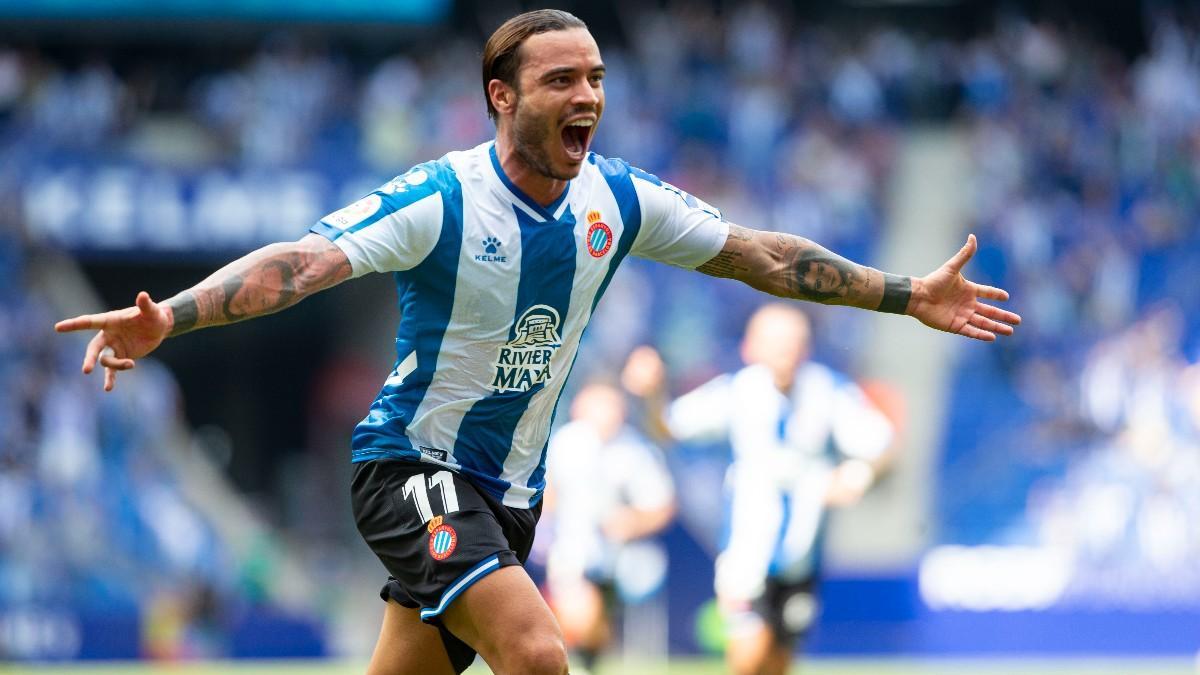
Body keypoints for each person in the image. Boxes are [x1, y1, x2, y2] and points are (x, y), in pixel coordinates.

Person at [54, 9, 1020, 675]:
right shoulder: (440, 199)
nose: (587, 96)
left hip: (511, 494)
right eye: (561, 79)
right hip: (410, 466)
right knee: (539, 651)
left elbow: (758, 254)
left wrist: (904, 294)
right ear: (501, 98)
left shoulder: (617, 198)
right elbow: (300, 266)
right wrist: (170, 317)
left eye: (596, 77)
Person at [624, 304, 896, 675]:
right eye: (776, 341)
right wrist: (653, 393)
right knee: (749, 659)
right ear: (751, 348)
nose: (787, 350)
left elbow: (881, 445)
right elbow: (668, 428)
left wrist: (857, 475)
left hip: (802, 557)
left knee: (777, 664)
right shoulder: (739, 391)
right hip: (745, 557)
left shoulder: (828, 391)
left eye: (795, 341)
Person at [541, 381, 676, 674]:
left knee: (598, 628)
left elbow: (661, 506)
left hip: (619, 557)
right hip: (572, 550)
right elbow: (543, 494)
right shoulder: (564, 444)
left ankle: (586, 663)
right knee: (581, 615)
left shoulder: (635, 450)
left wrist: (632, 521)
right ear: (580, 408)